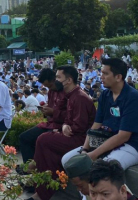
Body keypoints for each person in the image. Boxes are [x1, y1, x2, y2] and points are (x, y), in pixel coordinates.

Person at [62, 58, 138, 170]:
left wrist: (93, 155)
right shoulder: (105, 95)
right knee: (67, 160)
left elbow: (123, 136)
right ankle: (84, 188)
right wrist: (85, 150)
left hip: (132, 146)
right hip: (105, 140)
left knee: (103, 167)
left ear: (118, 77)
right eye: (101, 72)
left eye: (105, 73)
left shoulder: (133, 97)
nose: (101, 76)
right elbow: (96, 126)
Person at [31, 66, 97, 200]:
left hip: (82, 140)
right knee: (47, 146)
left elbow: (79, 127)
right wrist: (64, 126)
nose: (55, 80)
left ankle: (41, 186)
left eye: (59, 77)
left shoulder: (80, 97)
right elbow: (67, 120)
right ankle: (44, 187)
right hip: (72, 135)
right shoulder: (71, 95)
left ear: (69, 80)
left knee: (43, 139)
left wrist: (65, 128)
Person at [19, 68, 68, 169]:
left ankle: (38, 169)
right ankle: (31, 168)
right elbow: (51, 108)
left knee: (42, 140)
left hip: (62, 126)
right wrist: (46, 110)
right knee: (24, 137)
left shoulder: (67, 92)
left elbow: (71, 115)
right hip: (51, 123)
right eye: (46, 86)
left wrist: (53, 112)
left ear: (55, 80)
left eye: (49, 85)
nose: (48, 88)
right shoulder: (51, 92)